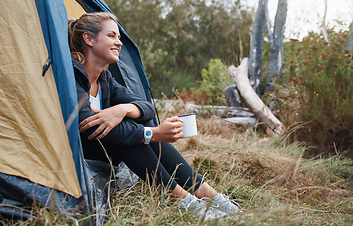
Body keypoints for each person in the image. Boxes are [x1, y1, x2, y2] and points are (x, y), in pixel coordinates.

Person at [68, 12, 240, 221]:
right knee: (128, 131)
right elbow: (90, 127)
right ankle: (184, 200)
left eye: (119, 38)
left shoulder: (105, 79)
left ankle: (210, 196)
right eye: (112, 36)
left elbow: (145, 105)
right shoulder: (71, 76)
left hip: (106, 152)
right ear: (89, 39)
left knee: (135, 119)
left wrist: (121, 110)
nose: (119, 43)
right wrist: (153, 134)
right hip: (78, 157)